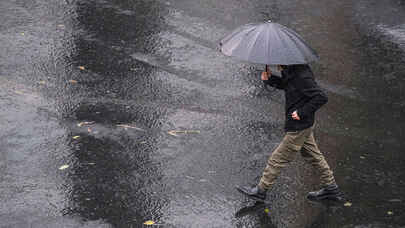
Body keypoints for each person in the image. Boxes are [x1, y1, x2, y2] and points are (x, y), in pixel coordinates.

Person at [237, 64, 341, 201]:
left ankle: (260, 190)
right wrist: (270, 79)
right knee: (313, 156)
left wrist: (301, 112)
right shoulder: (291, 69)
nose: (276, 63)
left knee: (277, 159)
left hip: (299, 126)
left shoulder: (302, 75)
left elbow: (321, 97)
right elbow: (288, 85)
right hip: (304, 125)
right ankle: (331, 188)